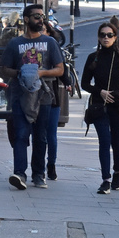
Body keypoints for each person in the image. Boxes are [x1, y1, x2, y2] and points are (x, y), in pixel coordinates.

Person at [0, 4, 64, 190]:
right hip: (20, 96)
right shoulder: (15, 44)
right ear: (26, 19)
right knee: (20, 134)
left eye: (42, 16)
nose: (40, 20)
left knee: (40, 136)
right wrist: (21, 72)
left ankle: (38, 174)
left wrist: (41, 73)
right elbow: (4, 68)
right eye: (36, 16)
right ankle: (19, 173)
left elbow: (60, 69)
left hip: (43, 96)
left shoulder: (50, 43)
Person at [81, 22, 119, 195]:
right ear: (98, 37)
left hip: (118, 106)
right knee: (104, 142)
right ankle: (105, 180)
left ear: (115, 37)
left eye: (109, 35)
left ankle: (117, 171)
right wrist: (100, 92)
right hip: (99, 106)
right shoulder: (93, 58)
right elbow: (84, 83)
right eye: (103, 35)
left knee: (116, 142)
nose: (106, 38)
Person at [42, 20, 70, 181]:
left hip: (52, 96)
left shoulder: (53, 46)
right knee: (39, 134)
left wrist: (67, 83)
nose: (42, 34)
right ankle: (38, 166)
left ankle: (51, 164)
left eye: (45, 30)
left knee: (51, 134)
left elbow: (63, 69)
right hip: (34, 97)